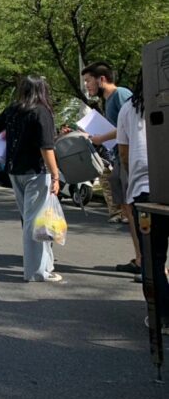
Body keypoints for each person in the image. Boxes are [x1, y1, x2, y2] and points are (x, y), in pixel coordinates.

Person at [0, 75, 61, 282]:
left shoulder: (13, 110)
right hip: (36, 172)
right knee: (35, 222)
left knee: (32, 220)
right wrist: (56, 175)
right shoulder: (41, 112)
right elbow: (47, 147)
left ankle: (45, 265)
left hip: (14, 171)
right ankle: (36, 272)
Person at [116, 70, 169, 332]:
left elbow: (124, 153)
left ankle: (164, 316)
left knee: (153, 258)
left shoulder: (129, 109)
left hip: (146, 192)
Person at [81, 62, 139, 275]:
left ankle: (145, 261)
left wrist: (100, 138)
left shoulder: (121, 94)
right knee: (127, 209)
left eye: (88, 80)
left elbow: (129, 124)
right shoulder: (108, 100)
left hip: (130, 159)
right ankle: (140, 258)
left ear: (101, 79)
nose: (86, 85)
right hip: (119, 160)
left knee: (133, 209)